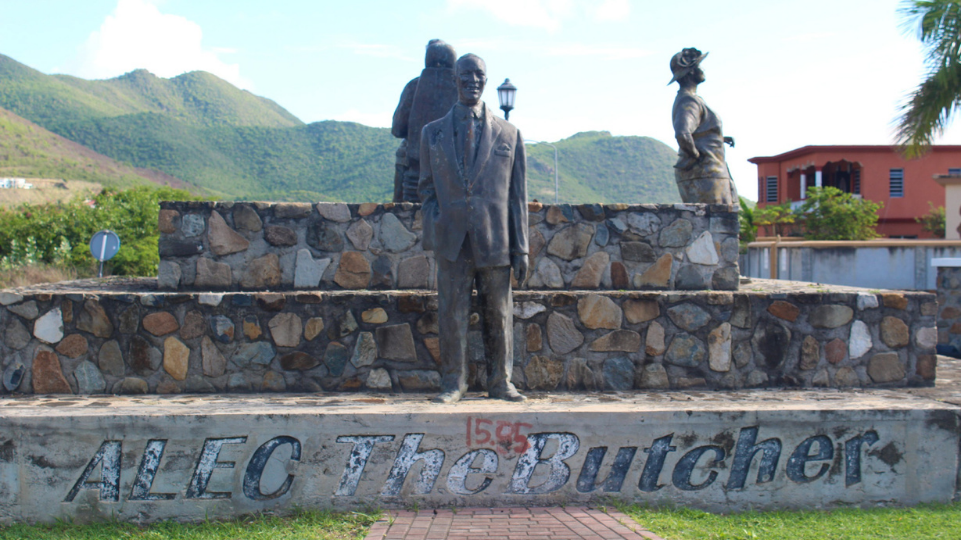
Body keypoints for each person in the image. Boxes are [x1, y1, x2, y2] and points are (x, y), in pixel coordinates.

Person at [418, 53, 528, 404]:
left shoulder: (510, 133)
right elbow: (425, 189)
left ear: (485, 79)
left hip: (496, 238)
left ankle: (500, 381)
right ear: (455, 78)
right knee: (452, 314)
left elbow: (517, 197)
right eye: (466, 74)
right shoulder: (431, 133)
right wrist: (436, 224)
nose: (473, 80)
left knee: (499, 314)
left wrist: (521, 248)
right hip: (452, 238)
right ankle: (454, 382)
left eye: (479, 75)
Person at [391, 39, 459, 202]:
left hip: (414, 171)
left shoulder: (414, 86)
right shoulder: (461, 88)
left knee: (402, 156)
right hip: (453, 172)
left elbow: (398, 128)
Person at [670, 48, 737, 205]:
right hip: (707, 173)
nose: (703, 69)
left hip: (711, 172)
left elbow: (694, 132)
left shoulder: (691, 99)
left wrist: (718, 138)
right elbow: (682, 134)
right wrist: (697, 157)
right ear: (691, 72)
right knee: (716, 222)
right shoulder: (689, 101)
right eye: (699, 65)